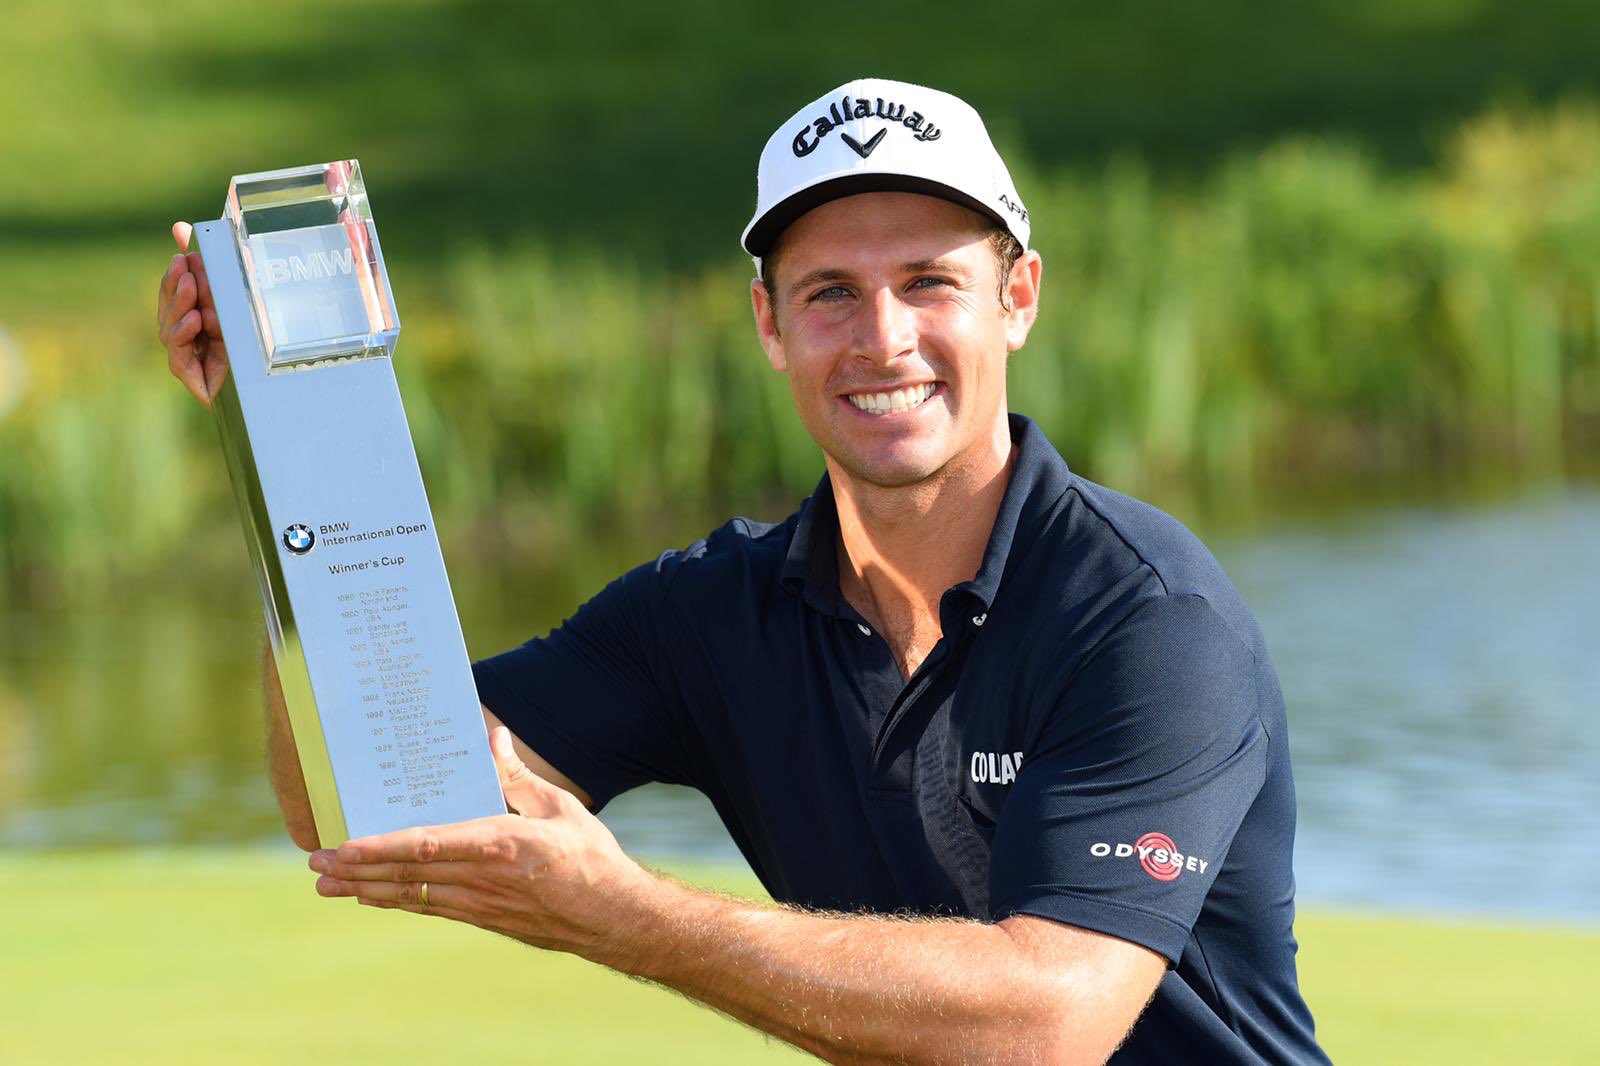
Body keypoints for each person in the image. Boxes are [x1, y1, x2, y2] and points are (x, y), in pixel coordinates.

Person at [157, 78, 1328, 1064]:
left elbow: (1048, 1019)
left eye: (929, 280)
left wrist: (629, 918)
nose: (882, 337)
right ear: (768, 325)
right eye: (829, 293)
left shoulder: (1146, 617)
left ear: (1015, 299)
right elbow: (362, 798)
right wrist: (287, 442)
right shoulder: (712, 611)